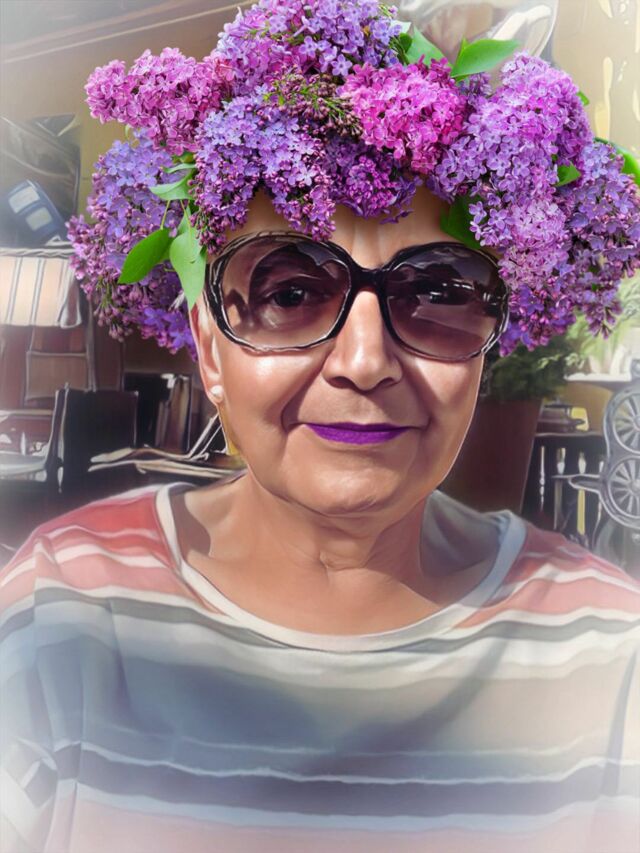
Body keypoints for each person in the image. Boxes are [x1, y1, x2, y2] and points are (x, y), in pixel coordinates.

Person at [2, 2, 639, 852]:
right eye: (292, 293)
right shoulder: (63, 617)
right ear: (209, 350)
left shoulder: (606, 652)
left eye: (437, 292)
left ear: (487, 347)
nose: (365, 361)